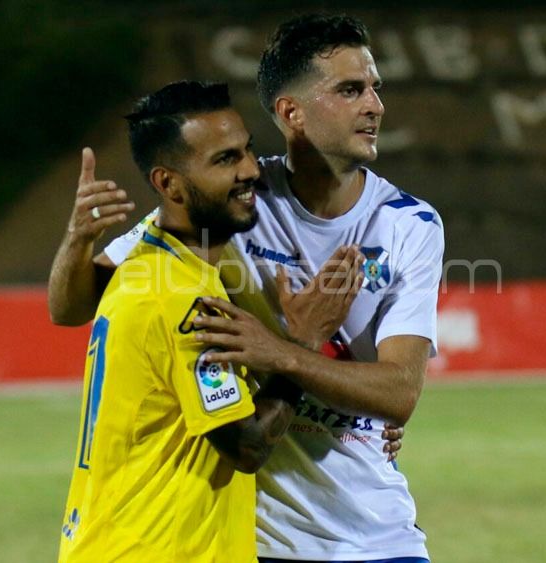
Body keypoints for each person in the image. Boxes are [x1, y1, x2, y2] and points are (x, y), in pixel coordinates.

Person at [49, 14, 443, 563]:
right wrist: (76, 239)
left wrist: (282, 351)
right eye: (351, 90)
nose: (375, 105)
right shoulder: (234, 202)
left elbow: (399, 395)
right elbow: (74, 305)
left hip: (377, 529)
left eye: (375, 88)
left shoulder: (410, 224)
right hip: (258, 537)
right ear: (292, 113)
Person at [56, 81, 360, 562]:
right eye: (224, 160)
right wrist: (304, 341)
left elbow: (64, 308)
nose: (250, 171)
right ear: (168, 184)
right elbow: (248, 444)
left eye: (247, 151)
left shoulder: (156, 261)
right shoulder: (177, 296)